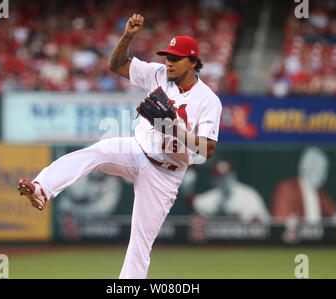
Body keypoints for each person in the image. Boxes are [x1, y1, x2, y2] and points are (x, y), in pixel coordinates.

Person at [17, 14, 222, 279]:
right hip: (136, 150)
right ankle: (42, 188)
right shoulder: (158, 74)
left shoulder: (208, 100)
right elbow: (117, 65)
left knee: (139, 244)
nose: (168, 62)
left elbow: (207, 149)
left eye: (176, 58)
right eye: (167, 56)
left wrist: (174, 129)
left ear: (193, 62)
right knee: (97, 151)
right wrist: (127, 37)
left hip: (166, 173)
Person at [271, 147, 336, 223]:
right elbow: (280, 223)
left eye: (325, 170)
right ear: (306, 167)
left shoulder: (320, 191)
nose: (324, 175)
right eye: (321, 169)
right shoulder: (286, 189)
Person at [191, 160, 270, 222]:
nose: (225, 180)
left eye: (227, 176)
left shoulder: (249, 194)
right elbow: (195, 206)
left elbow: (262, 221)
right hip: (216, 241)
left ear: (233, 175)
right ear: (213, 179)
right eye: (220, 177)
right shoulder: (213, 196)